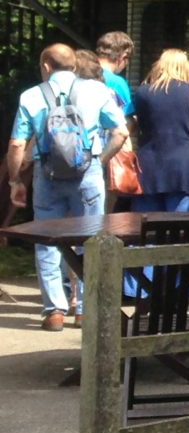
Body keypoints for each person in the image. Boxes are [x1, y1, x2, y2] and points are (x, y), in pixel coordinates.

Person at [5, 42, 129, 330]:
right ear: (74, 65)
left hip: (47, 176)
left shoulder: (31, 96)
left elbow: (17, 144)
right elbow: (121, 132)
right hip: (87, 175)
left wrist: (15, 181)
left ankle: (54, 312)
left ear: (46, 66)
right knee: (90, 239)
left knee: (47, 240)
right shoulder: (97, 91)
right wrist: (99, 161)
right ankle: (85, 309)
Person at [129, 48, 189, 213]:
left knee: (146, 223)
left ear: (159, 67)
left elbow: (140, 125)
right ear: (186, 68)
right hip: (184, 168)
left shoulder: (143, 92)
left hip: (148, 167)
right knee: (179, 224)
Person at [95, 31, 135, 113]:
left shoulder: (80, 73)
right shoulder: (117, 82)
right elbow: (126, 115)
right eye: (128, 59)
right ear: (123, 56)